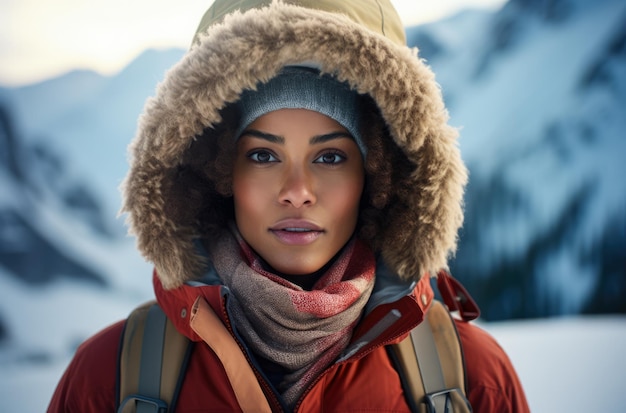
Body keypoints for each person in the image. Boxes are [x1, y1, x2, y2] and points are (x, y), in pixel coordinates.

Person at [48, 1, 530, 412]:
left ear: (378, 176)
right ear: (217, 172)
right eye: (262, 155)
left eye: (330, 156)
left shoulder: (471, 380)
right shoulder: (109, 380)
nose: (297, 190)